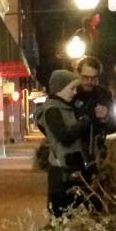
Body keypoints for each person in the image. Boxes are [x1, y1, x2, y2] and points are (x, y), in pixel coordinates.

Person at [35, 69, 94, 216]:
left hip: (70, 168)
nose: (75, 92)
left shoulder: (65, 108)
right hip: (61, 172)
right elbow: (64, 136)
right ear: (59, 89)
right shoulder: (53, 110)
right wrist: (84, 122)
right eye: (71, 88)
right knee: (62, 215)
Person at [71, 56, 116, 157]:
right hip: (73, 152)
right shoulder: (71, 93)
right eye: (85, 77)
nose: (89, 81)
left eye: (93, 78)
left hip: (97, 152)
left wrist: (106, 117)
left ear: (98, 77)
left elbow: (115, 125)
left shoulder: (104, 95)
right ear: (78, 74)